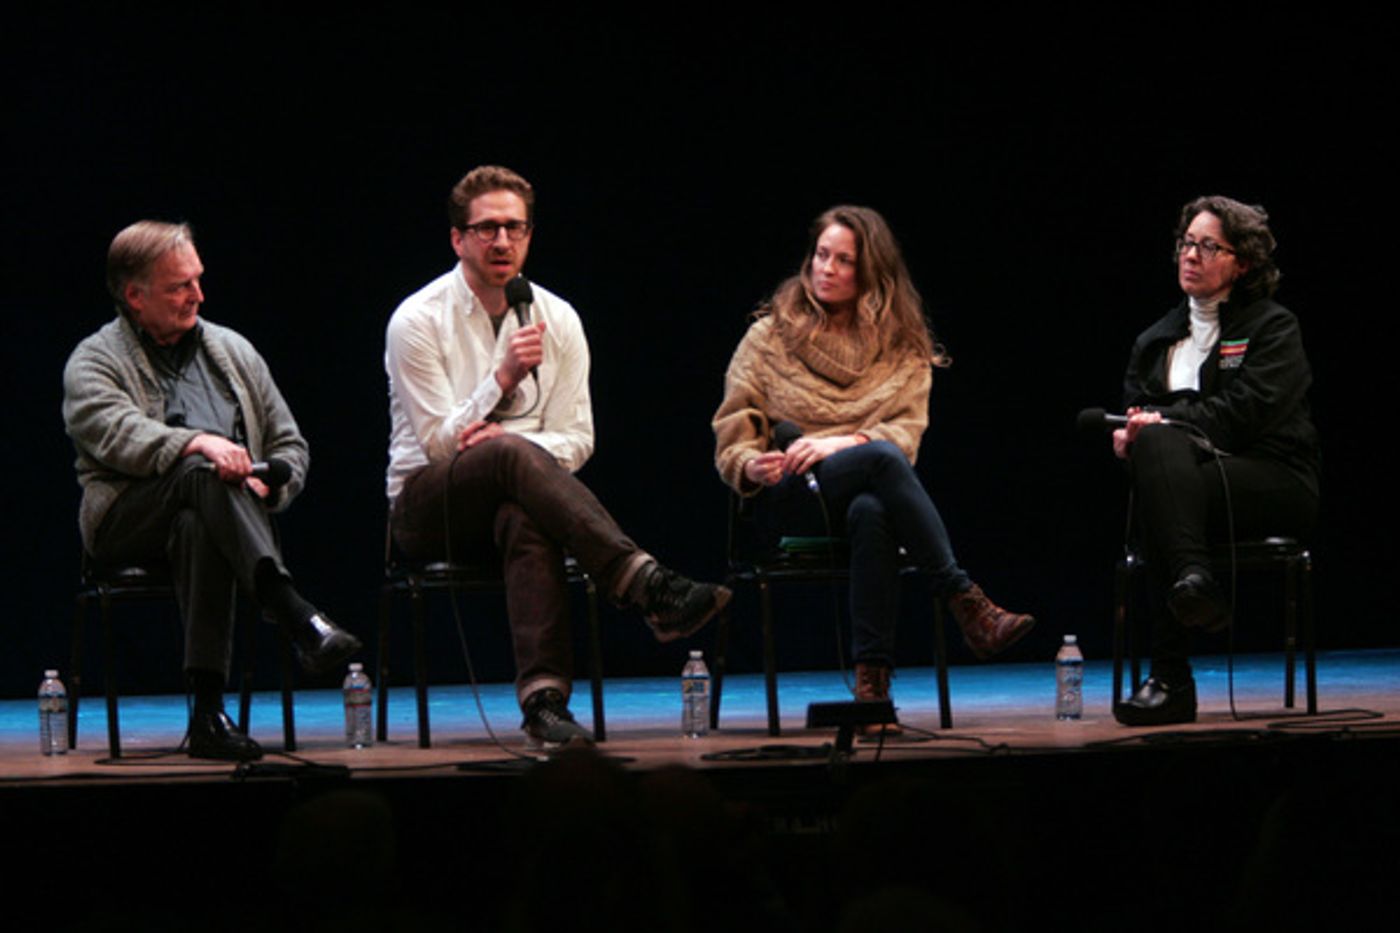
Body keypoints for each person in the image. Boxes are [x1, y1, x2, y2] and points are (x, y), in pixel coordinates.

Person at [384, 165, 730, 748]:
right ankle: (643, 581)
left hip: (515, 498)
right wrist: (499, 379)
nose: (502, 242)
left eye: (515, 228)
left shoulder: (557, 318)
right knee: (508, 458)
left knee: (525, 512)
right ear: (458, 239)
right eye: (487, 228)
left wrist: (513, 447)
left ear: (530, 235)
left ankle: (544, 702)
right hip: (427, 506)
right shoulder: (417, 320)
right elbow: (441, 443)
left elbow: (577, 437)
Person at [712, 205, 1035, 733]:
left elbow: (906, 435)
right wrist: (753, 465)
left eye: (843, 260)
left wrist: (841, 443)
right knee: (880, 461)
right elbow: (733, 431)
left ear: (871, 273)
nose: (826, 268)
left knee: (872, 509)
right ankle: (964, 599)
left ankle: (871, 691)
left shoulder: (902, 344)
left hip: (872, 498)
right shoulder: (768, 337)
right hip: (791, 498)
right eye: (821, 255)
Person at [63, 221, 361, 761]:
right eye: (180, 285)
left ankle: (206, 716)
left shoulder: (232, 352)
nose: (198, 294)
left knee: (202, 519)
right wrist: (200, 442)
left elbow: (290, 445)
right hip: (126, 522)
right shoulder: (93, 362)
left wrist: (266, 484)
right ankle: (293, 611)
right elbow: (118, 435)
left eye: (198, 280)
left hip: (216, 522)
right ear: (135, 295)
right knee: (201, 471)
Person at [1110, 196, 1320, 726]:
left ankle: (1171, 677)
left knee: (1163, 474)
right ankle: (1194, 583)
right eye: (1187, 243)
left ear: (1242, 262)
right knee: (1157, 461)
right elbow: (1139, 415)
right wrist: (1130, 439)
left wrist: (1165, 428)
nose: (1191, 255)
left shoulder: (1274, 327)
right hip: (1187, 490)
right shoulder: (1155, 341)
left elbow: (1246, 414)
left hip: (1272, 478)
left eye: (1209, 246)